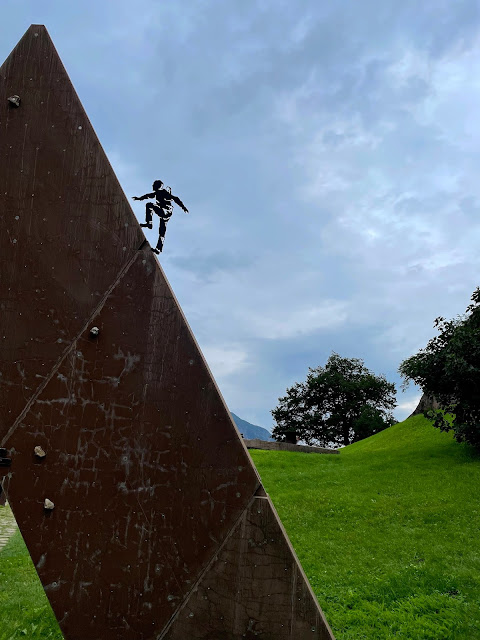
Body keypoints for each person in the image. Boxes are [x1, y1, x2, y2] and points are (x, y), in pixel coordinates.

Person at [133, 180, 188, 253]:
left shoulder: (163, 193)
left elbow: (176, 198)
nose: (152, 187)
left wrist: (183, 207)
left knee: (149, 205)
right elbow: (148, 196)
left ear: (157, 186)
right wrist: (139, 198)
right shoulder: (157, 193)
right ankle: (158, 249)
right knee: (162, 231)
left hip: (165, 211)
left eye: (153, 186)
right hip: (166, 214)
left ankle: (149, 223)